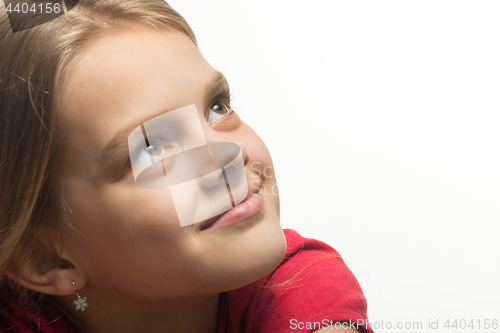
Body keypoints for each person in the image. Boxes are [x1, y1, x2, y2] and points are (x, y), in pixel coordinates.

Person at [0, 0, 375, 332]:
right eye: (152, 149)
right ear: (46, 257)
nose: (228, 153)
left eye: (217, 107)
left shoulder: (301, 286)